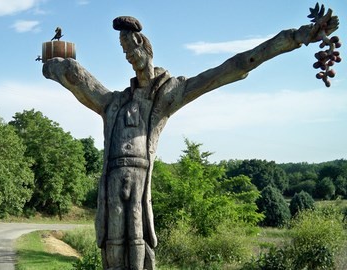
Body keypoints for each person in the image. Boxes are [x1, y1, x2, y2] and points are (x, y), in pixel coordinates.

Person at [42, 13, 338, 270]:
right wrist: (55, 66)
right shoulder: (115, 102)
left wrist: (295, 37)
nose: (128, 56)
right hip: (112, 185)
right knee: (112, 246)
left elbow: (232, 67)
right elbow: (79, 80)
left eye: (130, 47)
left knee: (137, 245)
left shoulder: (167, 94)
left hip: (138, 184)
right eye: (122, 50)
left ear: (144, 45)